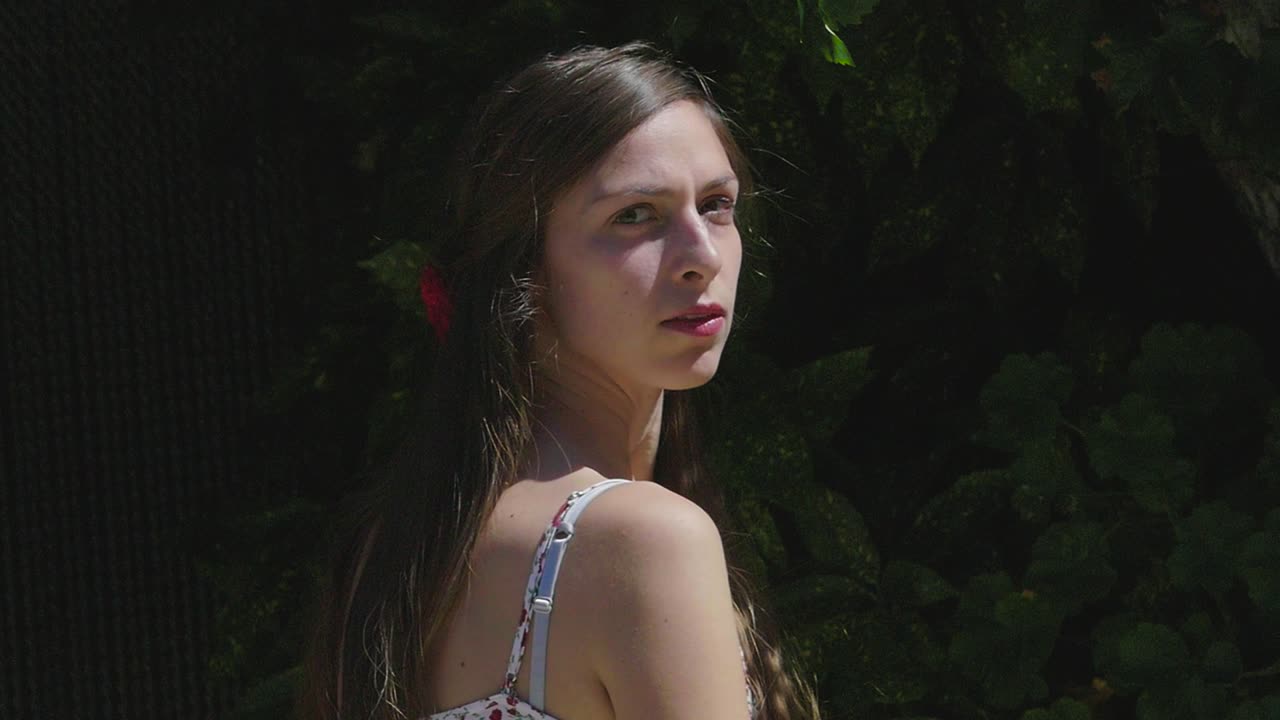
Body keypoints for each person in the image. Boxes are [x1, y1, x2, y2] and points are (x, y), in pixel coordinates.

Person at [299, 41, 822, 720]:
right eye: (634, 215)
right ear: (527, 269)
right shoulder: (644, 542)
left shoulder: (395, 548)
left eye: (718, 205)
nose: (702, 255)